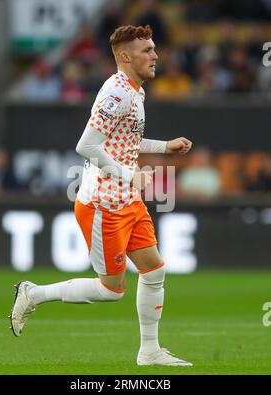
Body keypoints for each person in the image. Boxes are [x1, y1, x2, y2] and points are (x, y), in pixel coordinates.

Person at [10, 25, 193, 367]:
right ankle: (33, 293)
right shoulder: (118, 93)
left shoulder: (134, 91)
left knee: (154, 270)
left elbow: (123, 141)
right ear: (125, 57)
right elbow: (86, 145)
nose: (155, 55)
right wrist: (129, 175)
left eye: (154, 48)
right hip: (103, 204)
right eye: (147, 50)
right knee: (111, 290)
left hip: (127, 200)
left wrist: (164, 146)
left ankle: (150, 351)